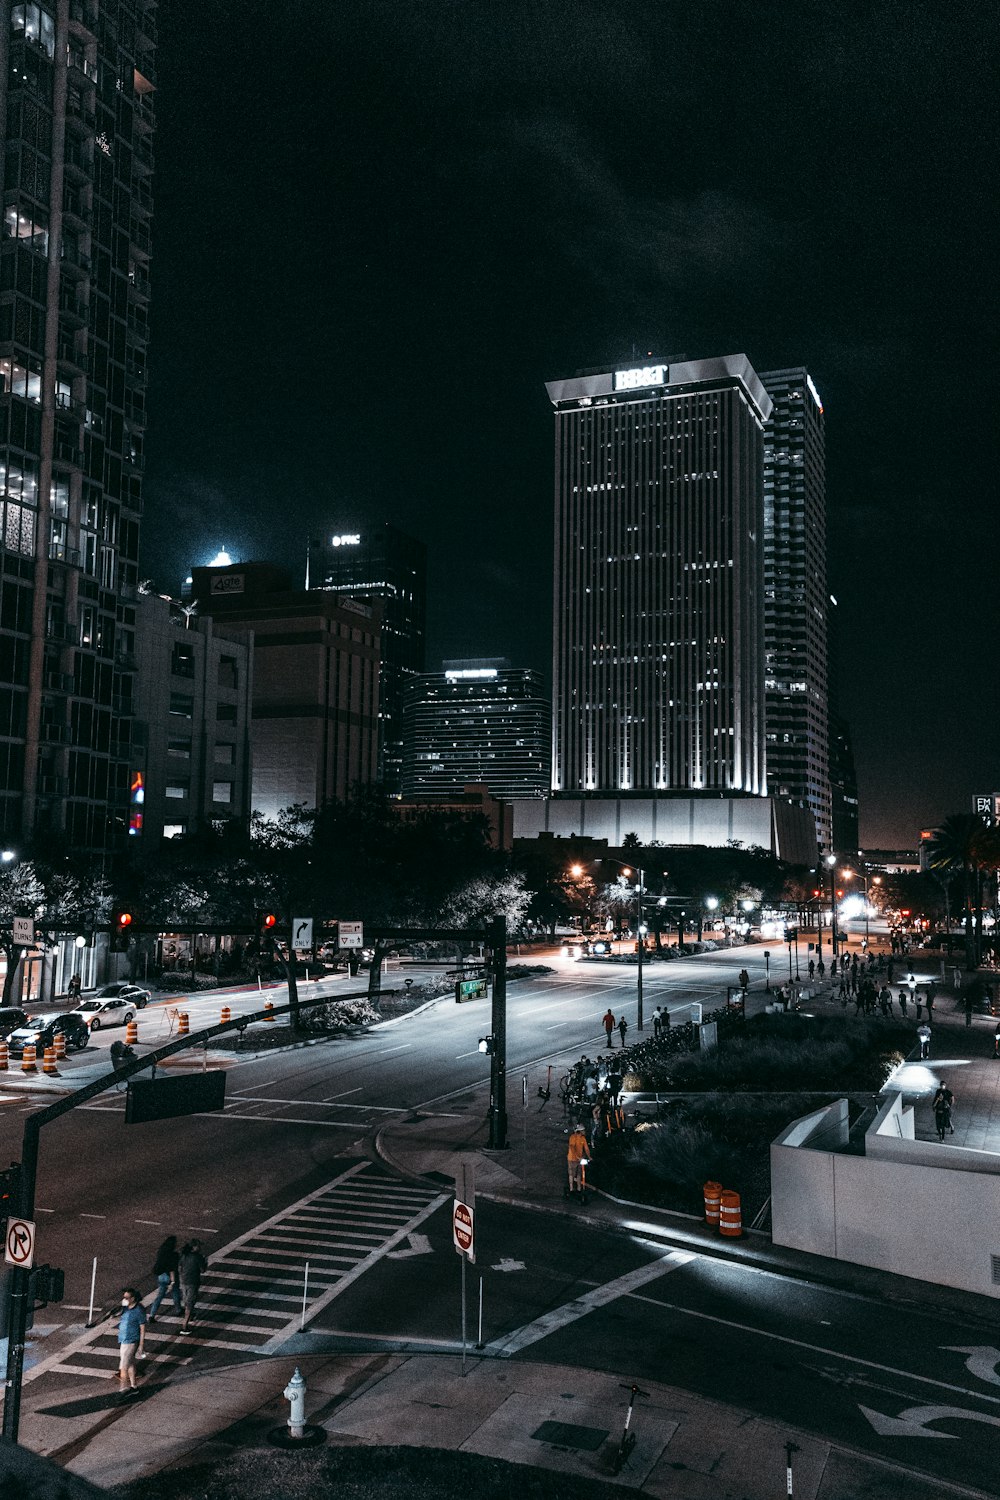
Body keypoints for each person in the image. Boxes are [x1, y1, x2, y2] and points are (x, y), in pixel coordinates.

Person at [115, 1288, 146, 1393]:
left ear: (133, 1298)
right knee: (130, 1363)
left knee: (123, 1366)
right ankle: (134, 1386)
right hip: (123, 1340)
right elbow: (116, 1316)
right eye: (124, 1297)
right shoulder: (125, 1308)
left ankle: (123, 1388)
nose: (125, 1299)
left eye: (127, 1298)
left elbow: (142, 1328)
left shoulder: (139, 1310)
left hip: (132, 1341)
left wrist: (141, 1345)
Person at [148, 1235, 182, 1323]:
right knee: (175, 1293)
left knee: (160, 1296)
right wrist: (173, 1281)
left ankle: (152, 1314)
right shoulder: (174, 1255)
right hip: (170, 1276)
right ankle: (178, 1309)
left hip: (161, 1276)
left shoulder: (161, 1252)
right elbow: (172, 1269)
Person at [178, 1239, 208, 1331]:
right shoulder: (198, 1257)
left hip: (183, 1281)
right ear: (194, 1247)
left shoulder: (184, 1255)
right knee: (190, 1303)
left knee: (187, 1301)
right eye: (199, 1246)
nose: (200, 1248)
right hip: (193, 1282)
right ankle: (184, 1326)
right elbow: (203, 1270)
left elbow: (180, 1267)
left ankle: (190, 1316)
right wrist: (205, 1261)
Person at [566, 1123, 588, 1197]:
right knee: (572, 1174)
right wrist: (578, 1157)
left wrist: (589, 1156)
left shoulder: (583, 1138)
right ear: (580, 1131)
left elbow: (586, 1148)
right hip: (572, 1159)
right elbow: (572, 1148)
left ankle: (579, 1189)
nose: (585, 1132)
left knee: (579, 1174)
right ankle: (571, 1189)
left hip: (579, 1159)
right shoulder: (573, 1137)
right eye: (583, 1130)